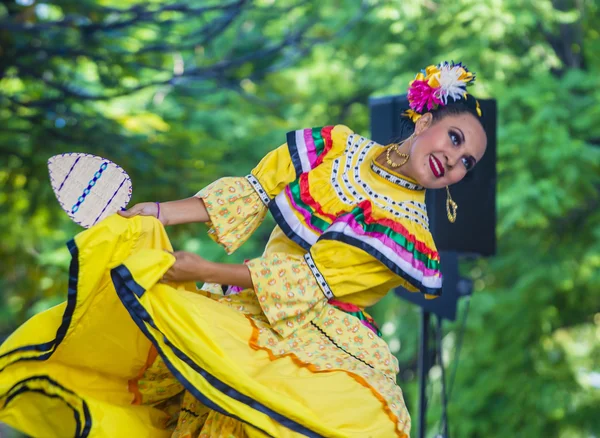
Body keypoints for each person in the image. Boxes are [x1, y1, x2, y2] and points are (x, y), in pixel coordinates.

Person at [0, 61, 487, 438]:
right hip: (249, 306)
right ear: (424, 119)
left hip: (318, 333)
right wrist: (158, 212)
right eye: (455, 138)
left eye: (468, 161)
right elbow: (253, 191)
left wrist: (200, 268)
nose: (456, 160)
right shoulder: (336, 147)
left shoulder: (407, 232)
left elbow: (309, 283)